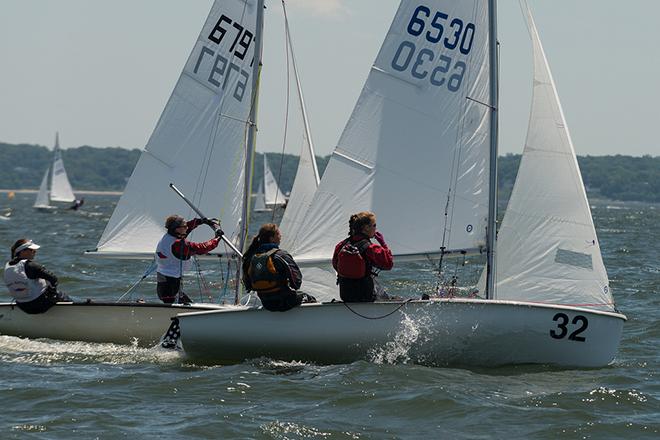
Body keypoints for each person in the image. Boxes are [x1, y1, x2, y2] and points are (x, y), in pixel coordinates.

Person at [155, 214, 223, 304]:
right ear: (177, 228)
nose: (187, 227)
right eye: (184, 226)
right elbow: (202, 248)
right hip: (170, 286)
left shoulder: (169, 236)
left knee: (187, 303)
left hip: (166, 283)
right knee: (177, 306)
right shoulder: (177, 244)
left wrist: (201, 221)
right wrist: (217, 239)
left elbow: (188, 226)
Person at [242, 223, 308, 312]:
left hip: (266, 302)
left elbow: (248, 285)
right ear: (272, 238)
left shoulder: (252, 257)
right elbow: (297, 282)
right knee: (308, 297)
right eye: (278, 234)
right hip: (285, 301)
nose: (281, 236)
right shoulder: (280, 255)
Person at [332, 211, 394, 302]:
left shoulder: (341, 246)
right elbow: (389, 264)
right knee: (385, 295)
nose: (375, 229)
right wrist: (383, 243)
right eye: (374, 225)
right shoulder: (371, 248)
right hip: (366, 295)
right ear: (366, 228)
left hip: (346, 295)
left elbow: (335, 265)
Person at [4, 238, 69, 314]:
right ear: (22, 252)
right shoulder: (31, 265)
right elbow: (54, 279)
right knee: (62, 295)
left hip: (23, 307)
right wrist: (52, 291)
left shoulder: (7, 266)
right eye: (32, 250)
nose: (35, 252)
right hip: (39, 305)